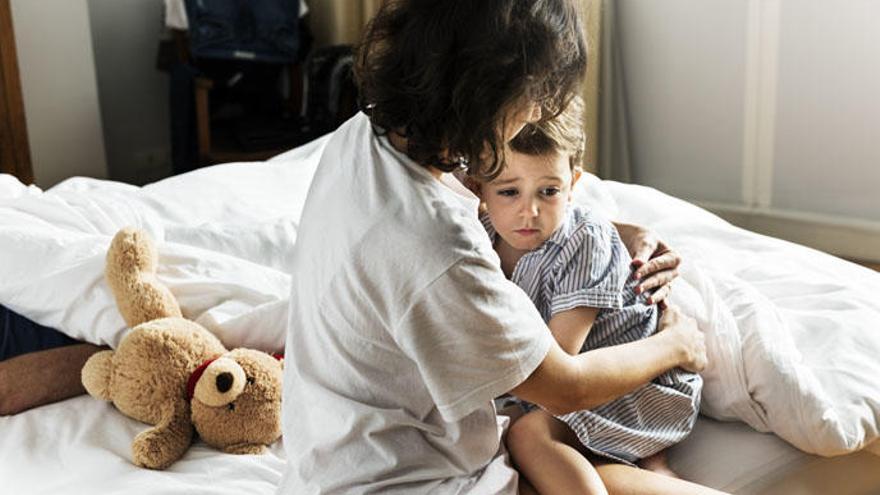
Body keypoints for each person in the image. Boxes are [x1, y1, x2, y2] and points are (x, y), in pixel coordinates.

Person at [280, 1, 714, 493]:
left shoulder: (362, 135)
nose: (535, 113)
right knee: (568, 460)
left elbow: (476, 195)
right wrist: (675, 344)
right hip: (412, 481)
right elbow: (565, 386)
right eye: (533, 99)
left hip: (328, 462)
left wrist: (612, 230)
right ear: (485, 93)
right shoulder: (436, 247)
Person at [466, 96, 705, 494]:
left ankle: (646, 458)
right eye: (509, 192)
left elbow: (561, 357)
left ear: (574, 184)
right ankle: (642, 465)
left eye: (549, 191)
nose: (530, 212)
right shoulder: (481, 237)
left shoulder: (581, 239)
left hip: (637, 387)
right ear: (479, 190)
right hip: (574, 389)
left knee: (527, 436)